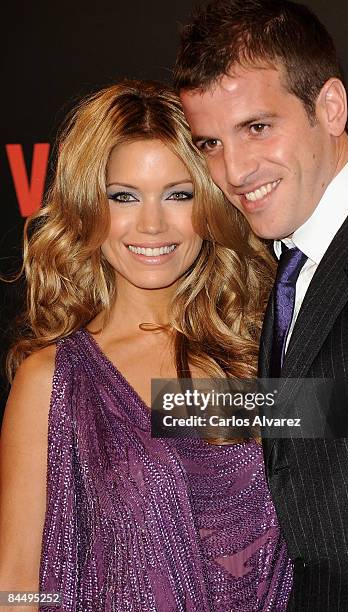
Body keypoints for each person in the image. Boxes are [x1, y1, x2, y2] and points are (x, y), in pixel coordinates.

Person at [0, 81, 293, 611]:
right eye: (124, 197)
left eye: (178, 194)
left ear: (210, 204)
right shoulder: (52, 381)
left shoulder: (264, 347)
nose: (153, 224)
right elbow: (17, 583)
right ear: (88, 206)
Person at [174, 0, 348, 610]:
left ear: (330, 107)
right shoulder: (276, 273)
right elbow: (339, 416)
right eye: (210, 143)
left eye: (257, 127)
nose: (235, 170)